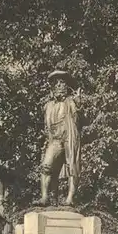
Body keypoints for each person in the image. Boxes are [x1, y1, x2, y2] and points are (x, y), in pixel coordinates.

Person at [39, 70, 81, 207]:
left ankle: (70, 198)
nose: (58, 86)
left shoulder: (72, 102)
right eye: (56, 84)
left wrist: (79, 104)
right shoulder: (48, 106)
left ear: (66, 87)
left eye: (62, 83)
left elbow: (79, 119)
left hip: (69, 138)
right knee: (46, 166)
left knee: (71, 167)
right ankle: (45, 197)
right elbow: (47, 126)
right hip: (55, 139)